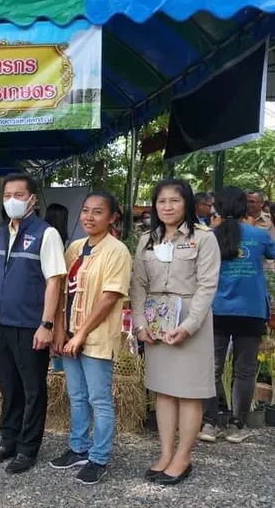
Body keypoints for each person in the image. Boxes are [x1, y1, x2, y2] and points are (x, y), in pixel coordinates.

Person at [131, 179, 220, 486]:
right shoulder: (147, 240)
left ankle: (184, 457)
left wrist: (189, 326)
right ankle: (166, 453)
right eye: (161, 201)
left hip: (189, 320)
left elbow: (208, 286)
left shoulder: (204, 239)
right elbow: (138, 284)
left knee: (189, 392)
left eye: (175, 201)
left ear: (188, 204)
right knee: (164, 389)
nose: (167, 207)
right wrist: (140, 323)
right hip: (157, 321)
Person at [0, 173, 67, 474]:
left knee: (33, 389)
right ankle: (8, 440)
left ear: (32, 198)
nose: (12, 201)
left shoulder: (47, 233)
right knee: (8, 386)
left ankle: (28, 448)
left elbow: (54, 282)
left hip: (31, 325)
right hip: (3, 324)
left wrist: (47, 324)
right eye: (7, 195)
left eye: (19, 194)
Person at [51, 192, 132, 485]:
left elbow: (110, 297)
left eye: (98, 212)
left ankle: (99, 458)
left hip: (95, 336)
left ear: (112, 218)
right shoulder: (74, 248)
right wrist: (61, 330)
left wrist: (81, 333)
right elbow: (61, 292)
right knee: (76, 396)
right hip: (70, 333)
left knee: (99, 399)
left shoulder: (117, 251)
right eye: (85, 210)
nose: (89, 217)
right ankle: (78, 447)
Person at [199, 187, 275, 444]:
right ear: (245, 208)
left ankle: (209, 423)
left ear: (216, 208)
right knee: (245, 370)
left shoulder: (208, 237)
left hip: (216, 309)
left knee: (212, 367)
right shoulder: (260, 236)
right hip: (251, 311)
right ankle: (237, 424)